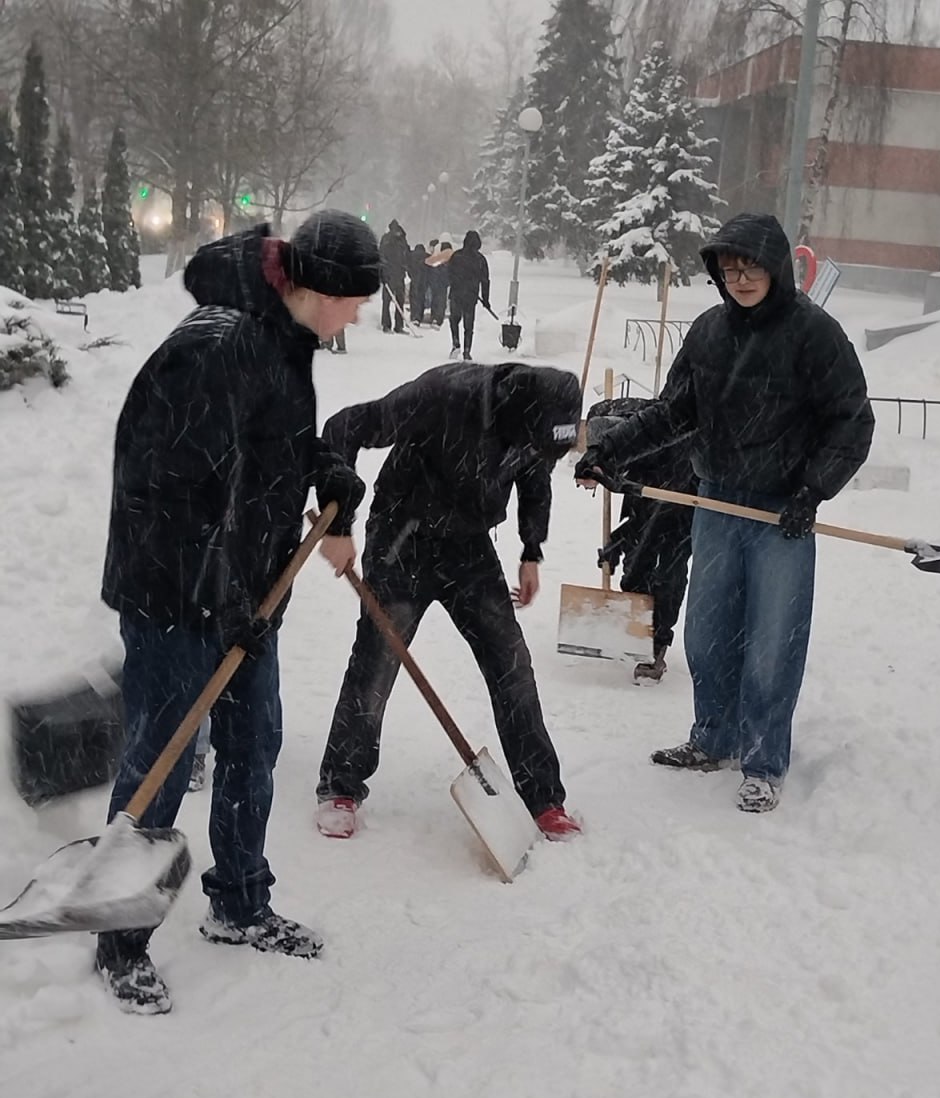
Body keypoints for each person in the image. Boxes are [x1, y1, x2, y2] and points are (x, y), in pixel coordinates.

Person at [97, 211, 380, 1014]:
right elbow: (169, 494)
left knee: (253, 746)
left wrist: (325, 467)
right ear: (320, 289)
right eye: (356, 301)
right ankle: (119, 939)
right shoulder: (215, 344)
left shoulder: (282, 338)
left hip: (247, 591)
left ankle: (241, 904)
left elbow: (266, 444)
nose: (358, 316)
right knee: (161, 761)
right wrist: (217, 598)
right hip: (175, 595)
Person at [576, 212, 874, 813]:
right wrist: (609, 448)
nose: (739, 279)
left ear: (776, 268)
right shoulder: (709, 332)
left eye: (750, 268)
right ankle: (713, 739)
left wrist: (812, 491)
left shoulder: (815, 334)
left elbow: (852, 421)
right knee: (708, 635)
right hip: (714, 501)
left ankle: (763, 762)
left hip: (782, 515)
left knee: (771, 645)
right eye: (729, 269)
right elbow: (673, 412)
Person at [315, 361, 584, 842]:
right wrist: (338, 525)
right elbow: (345, 426)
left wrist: (531, 550)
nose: (533, 453)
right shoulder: (442, 395)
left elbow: (534, 477)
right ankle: (341, 786)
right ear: (513, 412)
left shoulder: (536, 426)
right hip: (403, 536)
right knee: (377, 662)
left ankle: (544, 798)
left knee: (511, 665)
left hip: (469, 545)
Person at [586, 397, 695, 683]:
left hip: (685, 494)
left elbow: (659, 518)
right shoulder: (610, 422)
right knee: (635, 567)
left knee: (668, 570)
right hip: (648, 485)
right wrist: (619, 541)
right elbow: (640, 515)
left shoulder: (669, 442)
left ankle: (657, 644)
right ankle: (635, 631)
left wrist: (626, 540)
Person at [447, 229, 491, 361]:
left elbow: (448, 274)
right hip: (471, 296)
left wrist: (454, 283)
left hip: (456, 293)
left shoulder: (456, 256)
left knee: (454, 320)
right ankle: (467, 350)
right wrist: (485, 299)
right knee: (469, 325)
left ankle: (456, 343)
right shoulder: (480, 260)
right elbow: (485, 281)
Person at [379, 218, 410, 333]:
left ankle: (393, 325)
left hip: (395, 274)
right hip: (392, 274)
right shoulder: (393, 240)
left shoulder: (398, 240)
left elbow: (381, 257)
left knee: (394, 301)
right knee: (391, 300)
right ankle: (391, 325)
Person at [426, 237, 453, 326]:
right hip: (443, 282)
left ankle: (434, 316)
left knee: (435, 299)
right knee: (441, 300)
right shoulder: (451, 259)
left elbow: (430, 265)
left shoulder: (438, 258)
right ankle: (438, 318)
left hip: (436, 281)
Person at [408, 242, 428, 325]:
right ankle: (419, 316)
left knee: (413, 298)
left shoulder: (411, 256)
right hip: (424, 281)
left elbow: (408, 267)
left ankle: (413, 316)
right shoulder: (427, 256)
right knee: (421, 298)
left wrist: (411, 276)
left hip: (414, 280)